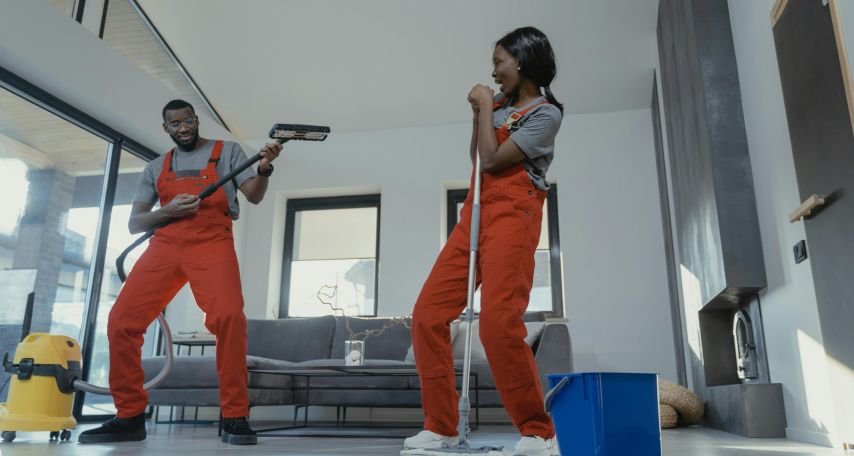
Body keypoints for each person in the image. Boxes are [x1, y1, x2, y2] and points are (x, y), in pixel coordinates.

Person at [78, 99, 283, 445]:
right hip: (165, 246)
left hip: (212, 243)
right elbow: (135, 223)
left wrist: (263, 169)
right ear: (166, 128)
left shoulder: (228, 152)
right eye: (175, 124)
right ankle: (129, 416)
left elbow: (255, 196)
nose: (183, 128)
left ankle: (235, 416)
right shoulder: (155, 167)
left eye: (188, 120)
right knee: (122, 322)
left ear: (195, 119)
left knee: (230, 318)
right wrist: (168, 210)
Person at [404, 27, 563, 456]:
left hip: (514, 216)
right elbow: (477, 158)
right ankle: (440, 426)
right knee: (427, 316)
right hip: (474, 215)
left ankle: (539, 432)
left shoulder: (546, 114)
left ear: (523, 61)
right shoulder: (497, 106)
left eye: (499, 62)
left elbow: (494, 160)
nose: (493, 72)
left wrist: (482, 107)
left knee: (497, 325)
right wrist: (482, 112)